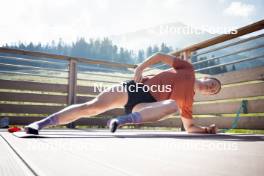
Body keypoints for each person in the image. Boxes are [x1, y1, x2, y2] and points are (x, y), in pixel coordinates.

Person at [25, 52, 221, 135]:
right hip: (136, 88)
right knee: (92, 107)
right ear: (205, 78)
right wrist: (140, 68)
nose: (211, 87)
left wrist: (205, 130)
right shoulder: (187, 68)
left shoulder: (188, 100)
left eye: (213, 91)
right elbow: (160, 56)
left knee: (172, 105)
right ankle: (41, 123)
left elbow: (189, 127)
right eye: (212, 83)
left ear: (207, 94)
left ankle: (121, 120)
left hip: (145, 106)